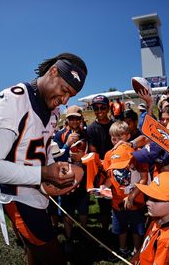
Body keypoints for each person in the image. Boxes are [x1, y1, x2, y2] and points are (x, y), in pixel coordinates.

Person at [0, 52, 87, 265]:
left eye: (70, 96)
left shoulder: (53, 110)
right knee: (54, 259)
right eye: (64, 90)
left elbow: (43, 152)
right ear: (53, 71)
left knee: (35, 254)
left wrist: (57, 172)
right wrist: (43, 174)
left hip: (37, 196)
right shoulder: (11, 100)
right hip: (18, 197)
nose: (65, 100)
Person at [103, 121, 148, 259]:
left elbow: (144, 179)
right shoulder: (109, 155)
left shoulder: (137, 154)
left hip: (135, 199)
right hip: (117, 200)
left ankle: (136, 250)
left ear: (128, 136)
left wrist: (132, 196)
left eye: (119, 138)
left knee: (137, 228)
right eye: (112, 138)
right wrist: (103, 187)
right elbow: (110, 177)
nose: (115, 141)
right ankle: (122, 249)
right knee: (120, 227)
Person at [53, 105, 89, 255]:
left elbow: (92, 154)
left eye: (77, 118)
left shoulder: (86, 134)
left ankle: (84, 235)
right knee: (67, 211)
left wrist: (83, 158)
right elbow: (55, 158)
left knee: (83, 210)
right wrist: (67, 145)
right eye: (71, 118)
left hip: (83, 178)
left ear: (81, 119)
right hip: (66, 178)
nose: (74, 121)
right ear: (67, 120)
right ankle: (68, 239)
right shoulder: (59, 135)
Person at [133, 172, 169, 265]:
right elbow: (147, 242)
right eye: (149, 197)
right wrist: (137, 256)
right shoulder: (157, 218)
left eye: (155, 200)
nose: (147, 202)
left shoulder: (168, 239)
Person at [87, 94, 114, 233]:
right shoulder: (91, 129)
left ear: (108, 108)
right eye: (95, 108)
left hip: (117, 168)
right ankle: (105, 232)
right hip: (102, 171)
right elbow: (93, 153)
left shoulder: (115, 125)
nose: (99, 111)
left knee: (119, 204)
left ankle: (119, 233)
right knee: (103, 205)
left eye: (102, 107)